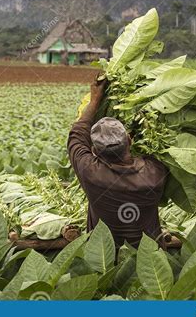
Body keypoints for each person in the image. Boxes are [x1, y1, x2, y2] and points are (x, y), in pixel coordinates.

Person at [67, 74, 168, 249]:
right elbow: (161, 145)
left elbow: (77, 134)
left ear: (94, 150)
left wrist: (95, 100)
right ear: (129, 140)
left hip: (104, 259)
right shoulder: (155, 173)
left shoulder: (90, 173)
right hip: (150, 259)